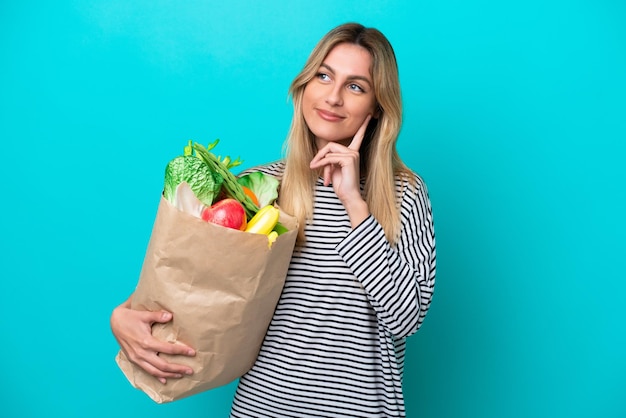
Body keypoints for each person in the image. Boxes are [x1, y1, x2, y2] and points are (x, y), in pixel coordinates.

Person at [111, 22, 436, 417]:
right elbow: (192, 282)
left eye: (355, 86)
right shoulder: (259, 188)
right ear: (304, 87)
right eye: (323, 76)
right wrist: (123, 316)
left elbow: (406, 317)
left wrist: (355, 203)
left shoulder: (404, 193)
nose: (333, 97)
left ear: (377, 107)